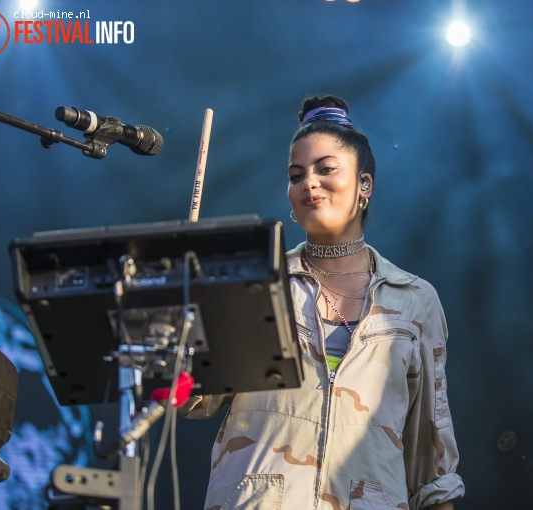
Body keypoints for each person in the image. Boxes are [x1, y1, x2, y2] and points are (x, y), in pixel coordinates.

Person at [181, 96, 465, 510]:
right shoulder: (257, 278)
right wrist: (179, 326)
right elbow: (194, 399)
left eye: (326, 169)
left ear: (364, 184)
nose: (309, 183)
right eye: (297, 176)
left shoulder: (415, 299)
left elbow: (432, 458)